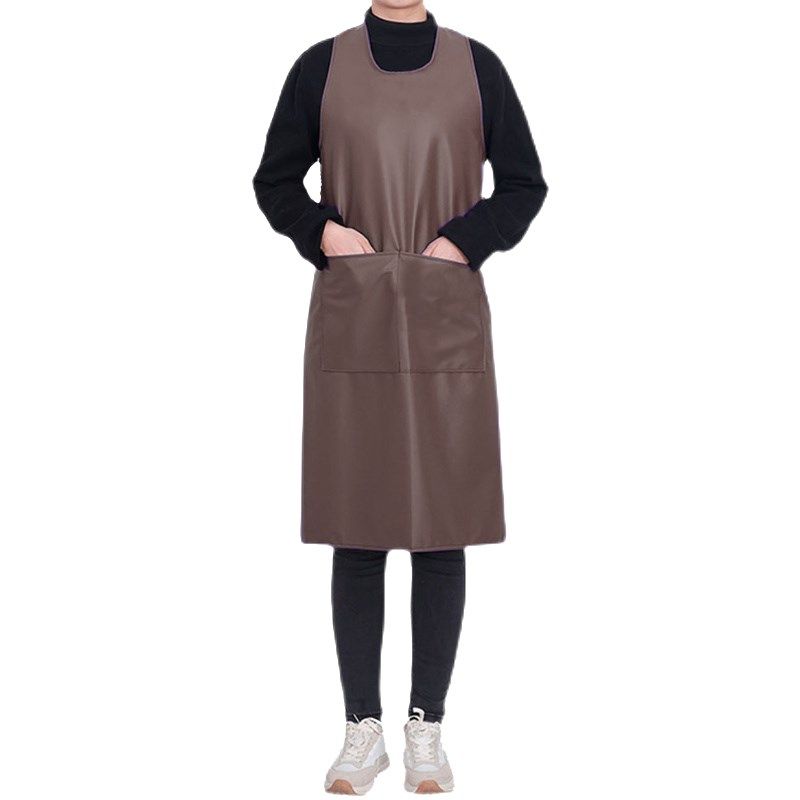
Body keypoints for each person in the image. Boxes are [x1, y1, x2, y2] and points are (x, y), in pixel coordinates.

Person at [253, 1, 546, 793]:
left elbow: (524, 183)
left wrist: (465, 242)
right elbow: (275, 179)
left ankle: (427, 729)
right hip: (357, 311)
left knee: (441, 526)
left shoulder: (478, 67)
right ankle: (362, 729)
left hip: (444, 314)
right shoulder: (321, 66)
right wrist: (324, 234)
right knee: (357, 524)